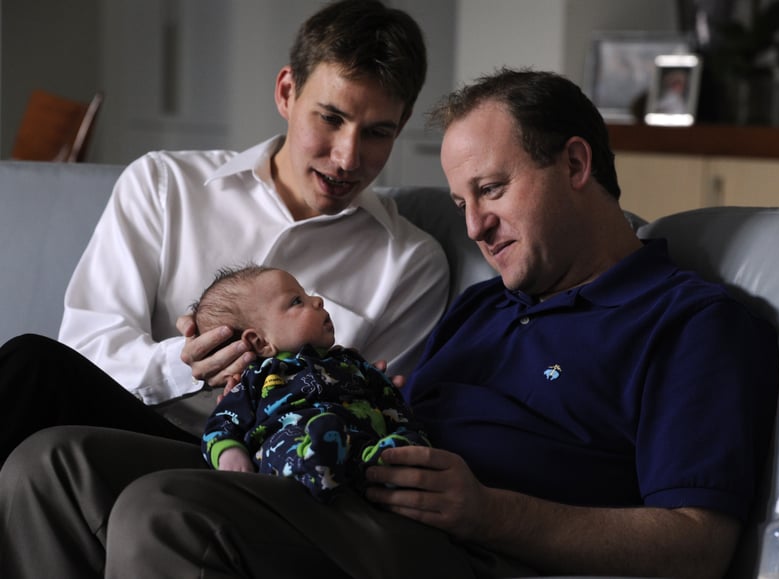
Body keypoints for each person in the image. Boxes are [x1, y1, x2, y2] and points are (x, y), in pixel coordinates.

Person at [0, 68, 778, 579]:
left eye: (492, 190)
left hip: (464, 548)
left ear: (575, 165)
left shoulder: (690, 322)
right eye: (463, 201)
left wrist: (490, 510)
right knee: (51, 463)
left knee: (163, 510)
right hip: (343, 488)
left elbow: (697, 541)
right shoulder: (487, 303)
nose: (473, 226)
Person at [0, 0, 448, 462]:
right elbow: (88, 349)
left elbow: (377, 419)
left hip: (272, 470)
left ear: (402, 126)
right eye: (331, 119)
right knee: (31, 365)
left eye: (377, 132)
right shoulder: (163, 184)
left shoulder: (411, 264)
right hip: (132, 427)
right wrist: (183, 364)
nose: (348, 158)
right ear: (287, 92)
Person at [195, 265, 429, 502]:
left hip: (361, 439)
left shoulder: (352, 363)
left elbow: (391, 402)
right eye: (297, 301)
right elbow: (222, 421)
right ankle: (311, 464)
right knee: (281, 444)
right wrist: (229, 452)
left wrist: (410, 435)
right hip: (294, 441)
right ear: (260, 341)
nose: (317, 300)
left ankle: (376, 468)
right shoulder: (257, 379)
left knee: (391, 445)